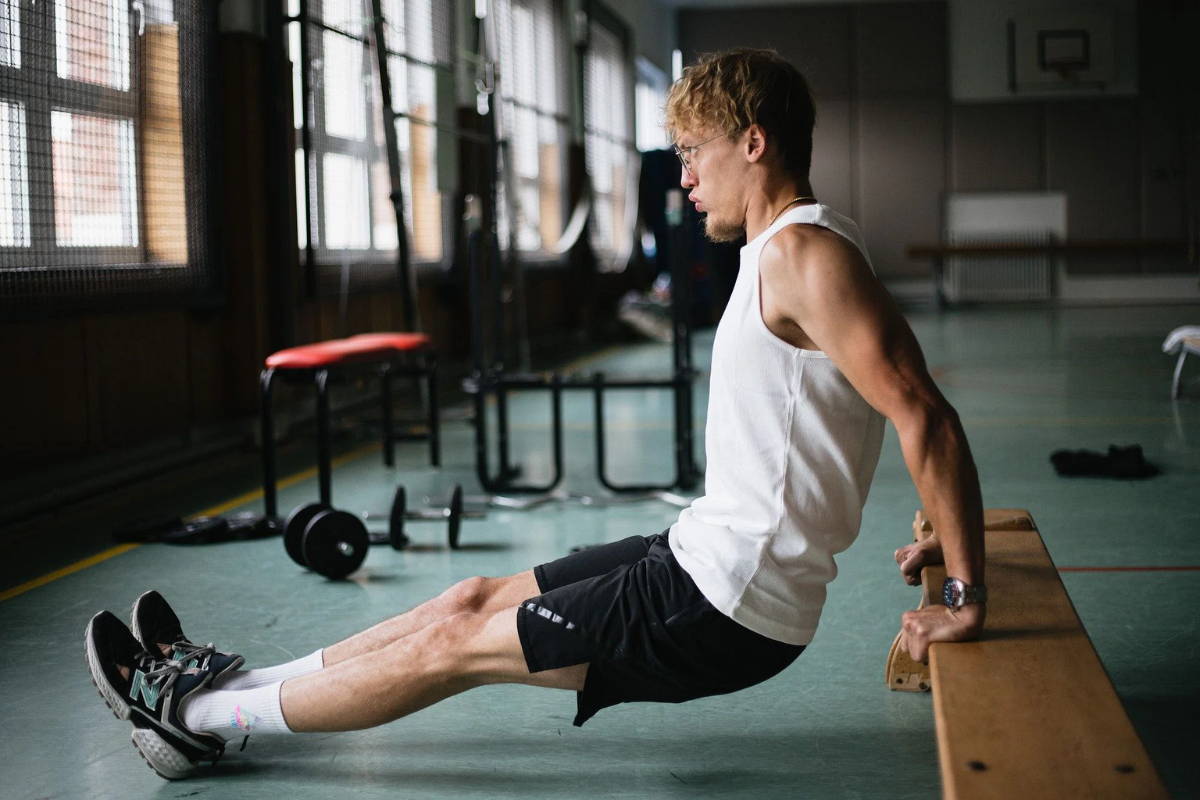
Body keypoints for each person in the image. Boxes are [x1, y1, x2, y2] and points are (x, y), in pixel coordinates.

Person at [84, 48, 986, 781]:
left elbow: (925, 416)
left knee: (449, 646)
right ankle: (231, 682)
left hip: (726, 605)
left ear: (753, 143)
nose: (684, 177)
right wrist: (945, 535)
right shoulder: (803, 248)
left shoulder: (804, 257)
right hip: (698, 553)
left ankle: (194, 715)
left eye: (694, 152)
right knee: (463, 599)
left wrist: (962, 594)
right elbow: (876, 409)